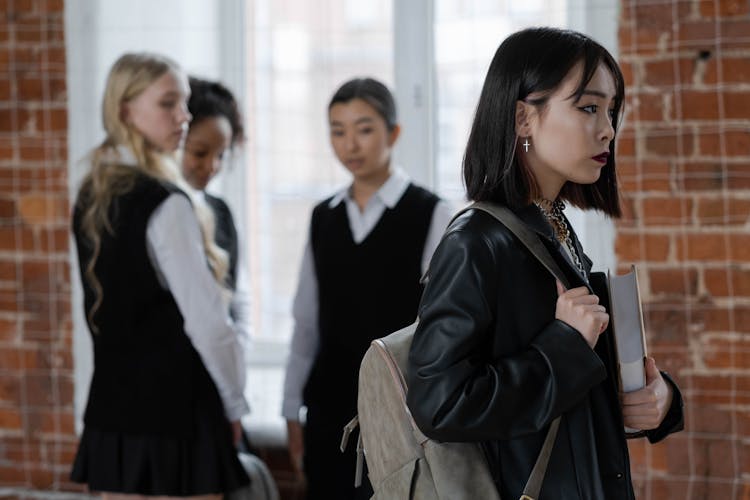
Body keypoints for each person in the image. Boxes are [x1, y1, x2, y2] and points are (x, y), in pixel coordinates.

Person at [405, 27, 684, 500]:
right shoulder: (476, 241)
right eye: (589, 107)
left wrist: (660, 400)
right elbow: (439, 404)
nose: (608, 129)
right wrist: (564, 344)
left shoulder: (551, 227)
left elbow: (565, 393)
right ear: (523, 119)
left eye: (612, 110)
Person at [70, 53, 250, 498]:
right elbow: (209, 324)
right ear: (126, 109)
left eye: (185, 103)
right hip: (179, 421)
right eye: (168, 103)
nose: (183, 117)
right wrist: (234, 405)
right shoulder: (166, 203)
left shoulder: (91, 193)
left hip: (113, 419)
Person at [281, 77, 454, 500]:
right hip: (328, 412)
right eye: (337, 131)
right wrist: (290, 410)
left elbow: (442, 326)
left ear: (393, 133)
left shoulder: (432, 213)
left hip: (401, 408)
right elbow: (306, 323)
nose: (350, 144)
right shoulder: (323, 217)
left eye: (364, 128)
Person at [181, 76, 251, 346]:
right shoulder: (157, 211)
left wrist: (240, 346)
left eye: (221, 155)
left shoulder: (221, 212)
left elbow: (240, 296)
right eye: (199, 153)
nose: (211, 166)